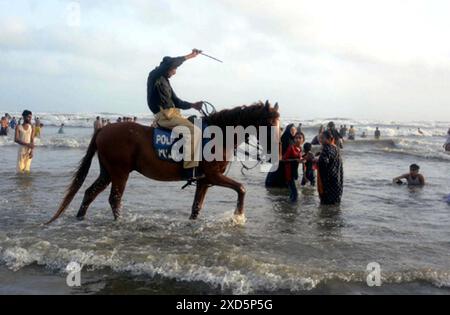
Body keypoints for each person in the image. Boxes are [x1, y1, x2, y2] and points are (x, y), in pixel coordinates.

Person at [147, 49, 205, 179]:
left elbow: (177, 101)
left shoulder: (166, 81)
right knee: (195, 131)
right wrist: (191, 56)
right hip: (165, 116)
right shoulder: (154, 75)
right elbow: (171, 63)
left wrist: (193, 105)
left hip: (174, 114)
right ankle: (189, 170)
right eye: (174, 69)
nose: (175, 72)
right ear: (169, 67)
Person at [317, 130, 344, 205]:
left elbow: (324, 163)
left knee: (325, 204)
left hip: (328, 182)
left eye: (322, 138)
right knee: (334, 204)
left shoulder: (326, 149)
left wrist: (315, 160)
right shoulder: (335, 148)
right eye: (320, 138)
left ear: (329, 139)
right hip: (337, 180)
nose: (320, 140)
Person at [284, 132, 304, 202]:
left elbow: (300, 158)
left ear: (303, 140)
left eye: (300, 138)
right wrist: (295, 160)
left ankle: (288, 206)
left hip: (295, 172)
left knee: (293, 193)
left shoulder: (300, 148)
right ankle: (292, 210)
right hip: (289, 172)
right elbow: (284, 159)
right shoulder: (291, 148)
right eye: (296, 138)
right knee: (295, 194)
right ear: (294, 139)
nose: (298, 139)